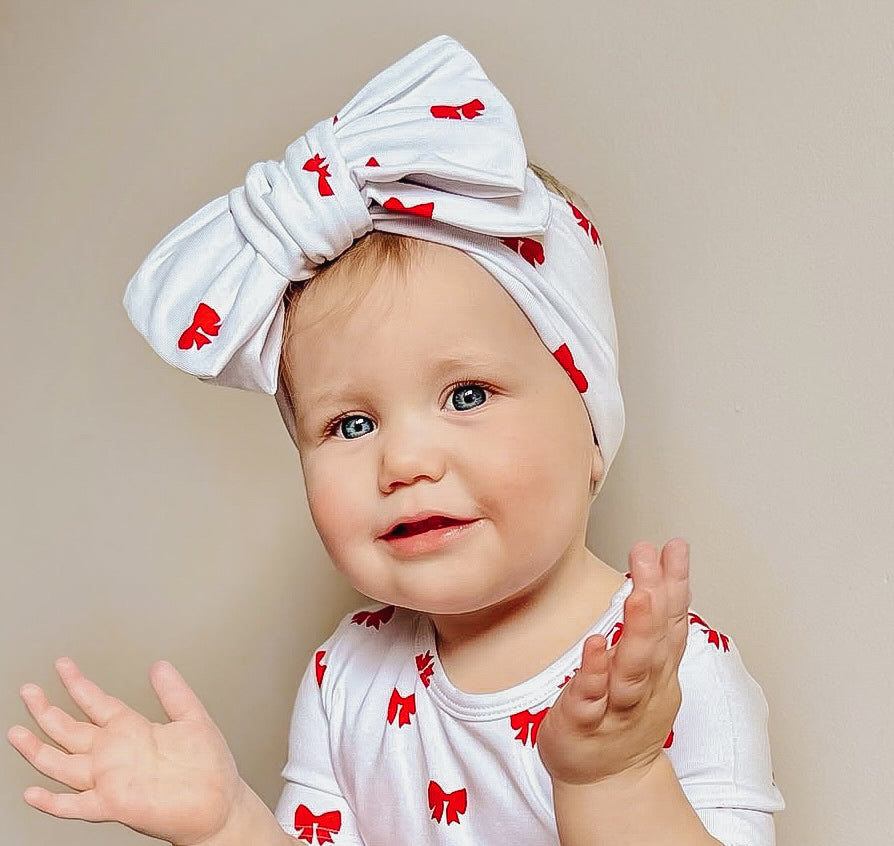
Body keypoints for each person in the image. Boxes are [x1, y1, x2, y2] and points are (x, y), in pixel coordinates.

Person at [7, 35, 784, 846]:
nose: (405, 462)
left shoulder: (675, 676)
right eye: (350, 424)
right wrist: (229, 823)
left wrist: (617, 775)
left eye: (467, 395)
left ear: (591, 428)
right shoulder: (347, 678)